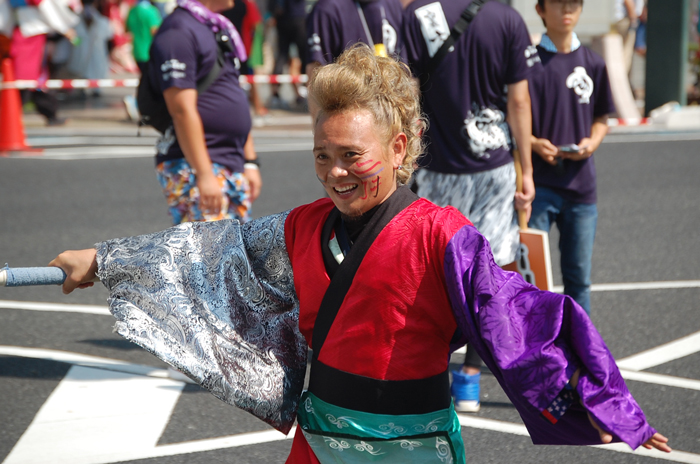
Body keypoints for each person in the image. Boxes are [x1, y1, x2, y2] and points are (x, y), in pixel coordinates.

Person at [50, 44, 670, 464]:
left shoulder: (443, 235)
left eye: (354, 155)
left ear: (399, 148)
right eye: (323, 155)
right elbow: (203, 253)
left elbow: (520, 319)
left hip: (417, 442)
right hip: (321, 441)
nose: (336, 173)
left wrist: (614, 409)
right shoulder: (300, 228)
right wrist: (102, 260)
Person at [401, 0, 540, 413]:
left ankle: (429, 371)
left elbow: (406, 95)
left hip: (440, 167)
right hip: (495, 166)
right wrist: (526, 168)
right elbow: (519, 101)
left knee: (434, 272)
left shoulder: (419, 15)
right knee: (489, 271)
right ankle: (471, 379)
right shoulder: (507, 18)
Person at [527, 0, 615, 316]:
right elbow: (512, 118)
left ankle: (582, 353)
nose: (566, 9)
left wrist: (593, 141)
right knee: (533, 278)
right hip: (537, 186)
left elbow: (602, 117)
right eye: (557, 3)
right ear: (540, 9)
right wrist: (534, 142)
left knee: (579, 279)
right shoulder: (528, 63)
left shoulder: (593, 62)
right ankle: (534, 351)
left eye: (573, 3)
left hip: (581, 188)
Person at [148, 0, 262, 225]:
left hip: (229, 161)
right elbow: (181, 109)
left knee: (235, 253)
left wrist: (250, 161)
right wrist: (204, 173)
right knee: (208, 255)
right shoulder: (178, 30)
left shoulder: (216, 27)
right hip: (194, 164)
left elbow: (231, 91)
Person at [305, 0, 404, 77]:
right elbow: (316, 71)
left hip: (392, 97)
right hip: (350, 98)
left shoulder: (395, 4)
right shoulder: (327, 9)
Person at [267, 0, 306, 109]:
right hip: (296, 19)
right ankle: (304, 89)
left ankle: (276, 93)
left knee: (283, 57)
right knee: (301, 56)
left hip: (283, 20)